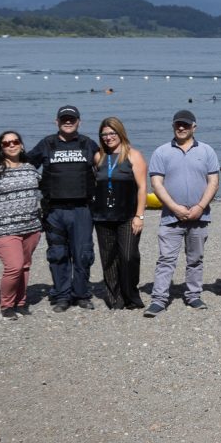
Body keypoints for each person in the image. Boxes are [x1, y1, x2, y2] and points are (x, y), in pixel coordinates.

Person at [145, 110, 220, 316]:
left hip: (200, 216)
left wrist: (200, 207)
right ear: (173, 126)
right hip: (170, 217)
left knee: (195, 259)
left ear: (194, 127)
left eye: (186, 125)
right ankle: (159, 299)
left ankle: (193, 296)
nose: (181, 128)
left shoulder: (206, 151)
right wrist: (175, 208)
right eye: (178, 124)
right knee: (166, 259)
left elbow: (213, 182)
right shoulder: (161, 152)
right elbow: (156, 184)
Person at [27, 104, 100, 312]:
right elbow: (23, 165)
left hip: (82, 209)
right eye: (64, 119)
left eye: (72, 119)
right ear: (56, 122)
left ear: (79, 122)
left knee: (83, 254)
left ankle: (82, 294)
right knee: (58, 254)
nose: (68, 122)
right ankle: (62, 296)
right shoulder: (47, 144)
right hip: (54, 211)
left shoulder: (88, 144)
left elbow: (107, 166)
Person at [0, 131, 43, 320]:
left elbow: (42, 189)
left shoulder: (30, 168)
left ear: (21, 145)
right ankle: (6, 305)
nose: (11, 145)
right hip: (2, 229)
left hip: (31, 227)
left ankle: (20, 303)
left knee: (25, 266)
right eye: (6, 143)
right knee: (14, 266)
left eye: (15, 141)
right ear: (1, 148)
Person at [91, 117, 147, 310]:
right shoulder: (98, 156)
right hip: (103, 217)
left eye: (112, 133)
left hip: (127, 216)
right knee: (108, 258)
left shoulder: (133, 156)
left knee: (129, 256)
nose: (108, 137)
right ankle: (115, 298)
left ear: (120, 133)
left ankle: (131, 295)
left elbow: (142, 188)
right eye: (104, 134)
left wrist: (139, 216)